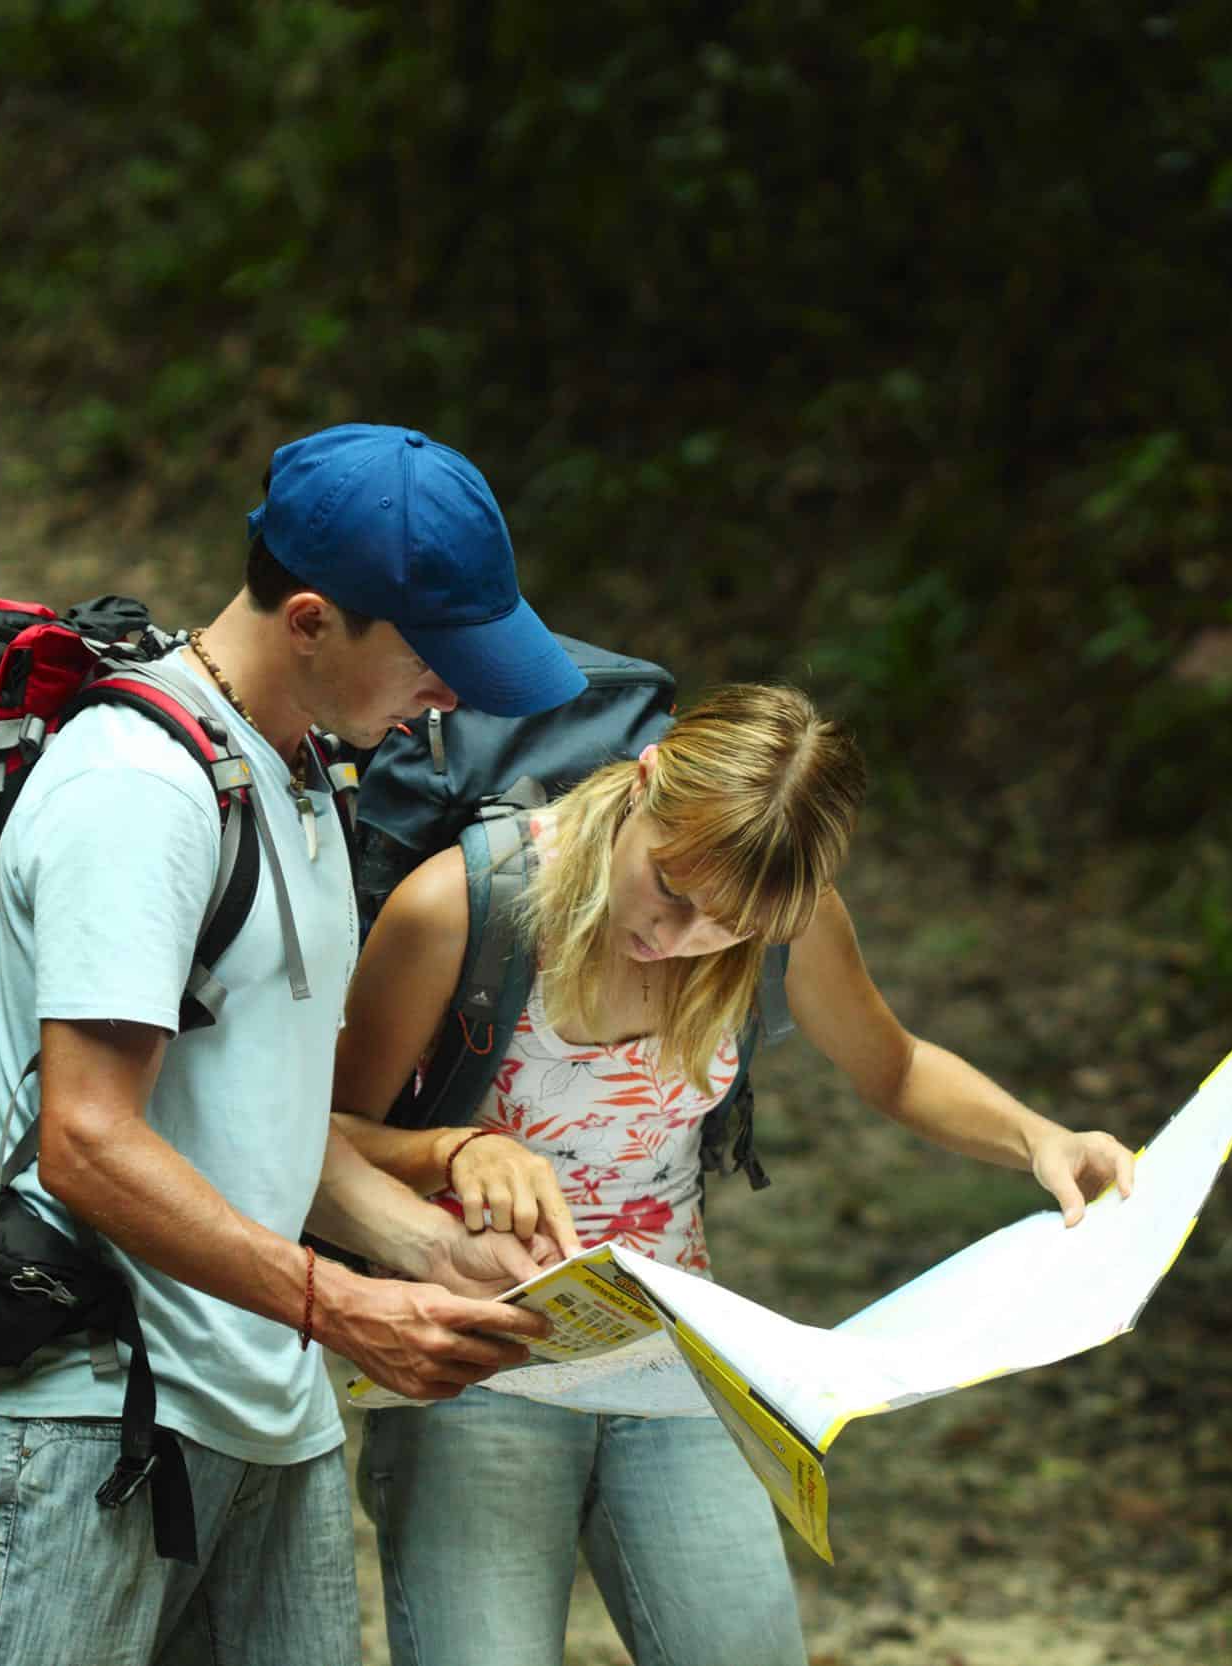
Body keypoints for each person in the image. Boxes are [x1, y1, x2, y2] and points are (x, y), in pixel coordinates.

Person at [0, 424, 593, 1666]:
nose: (452, 695)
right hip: (95, 1419)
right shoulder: (139, 787)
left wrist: (426, 1254)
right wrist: (342, 1305)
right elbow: (85, 1139)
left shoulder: (294, 779)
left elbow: (258, 1117)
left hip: (267, 1409)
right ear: (307, 620)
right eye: (434, 661)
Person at [333, 682, 1141, 1666]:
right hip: (476, 1363)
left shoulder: (779, 916)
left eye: (725, 926)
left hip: (672, 1361)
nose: (679, 938)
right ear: (645, 782)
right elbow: (319, 1140)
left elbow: (892, 1064)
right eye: (670, 887)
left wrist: (1037, 1138)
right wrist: (455, 1150)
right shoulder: (468, 906)